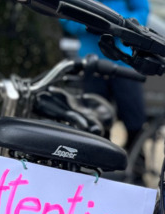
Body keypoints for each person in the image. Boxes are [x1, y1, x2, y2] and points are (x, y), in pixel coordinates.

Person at [61, 0, 150, 183]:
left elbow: (142, 11)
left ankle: (136, 170)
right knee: (95, 125)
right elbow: (65, 18)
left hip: (124, 63)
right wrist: (89, 24)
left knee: (135, 122)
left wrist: (122, 26)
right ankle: (95, 173)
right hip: (91, 64)